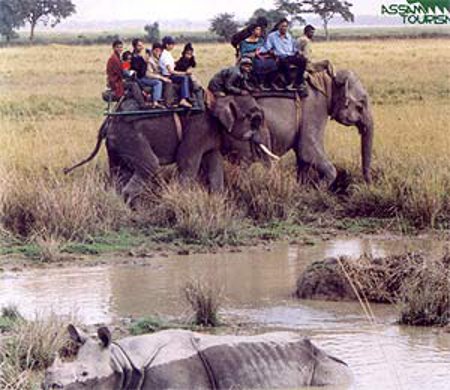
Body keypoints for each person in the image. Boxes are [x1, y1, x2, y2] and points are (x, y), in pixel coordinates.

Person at [259, 18, 308, 96]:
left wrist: (298, 52)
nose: (284, 28)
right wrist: (259, 51)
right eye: (282, 26)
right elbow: (267, 47)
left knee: (303, 60)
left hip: (290, 55)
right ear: (279, 27)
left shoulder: (289, 36)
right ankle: (288, 83)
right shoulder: (272, 36)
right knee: (284, 61)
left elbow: (294, 48)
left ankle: (298, 83)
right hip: (280, 56)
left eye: (286, 26)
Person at [106, 39, 149, 109]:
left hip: (117, 79)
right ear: (113, 48)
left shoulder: (117, 57)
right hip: (116, 82)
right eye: (118, 47)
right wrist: (130, 74)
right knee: (133, 85)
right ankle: (142, 104)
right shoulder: (114, 59)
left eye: (121, 47)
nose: (120, 49)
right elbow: (120, 72)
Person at [238, 24, 278, 90]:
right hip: (251, 57)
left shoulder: (261, 40)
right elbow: (243, 53)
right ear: (252, 31)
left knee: (272, 63)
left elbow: (265, 48)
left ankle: (271, 82)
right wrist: (253, 54)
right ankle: (260, 83)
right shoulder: (244, 42)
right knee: (259, 64)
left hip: (262, 56)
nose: (259, 31)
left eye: (260, 30)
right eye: (257, 29)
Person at [159, 36, 193, 108]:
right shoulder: (165, 56)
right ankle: (183, 99)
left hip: (170, 74)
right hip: (168, 76)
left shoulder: (167, 54)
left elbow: (174, 64)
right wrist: (184, 73)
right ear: (167, 45)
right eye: (172, 44)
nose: (173, 46)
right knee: (184, 78)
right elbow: (171, 71)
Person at [131, 38, 164, 108]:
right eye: (139, 46)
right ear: (135, 47)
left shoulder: (139, 56)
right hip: (140, 78)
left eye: (142, 45)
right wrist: (145, 62)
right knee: (158, 82)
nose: (141, 47)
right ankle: (155, 101)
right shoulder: (134, 58)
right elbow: (141, 72)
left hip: (142, 77)